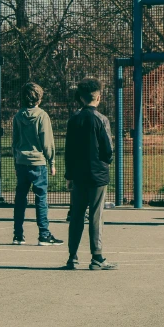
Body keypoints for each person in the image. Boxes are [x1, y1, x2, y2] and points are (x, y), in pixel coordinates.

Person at [64, 77, 117, 270]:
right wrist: (106, 162)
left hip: (78, 174)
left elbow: (68, 151)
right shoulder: (101, 119)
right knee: (96, 214)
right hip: (98, 174)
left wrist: (69, 175)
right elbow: (108, 149)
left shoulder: (73, 120)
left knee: (76, 214)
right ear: (98, 97)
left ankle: (72, 256)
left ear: (80, 98)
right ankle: (97, 257)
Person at [12, 82, 63, 246]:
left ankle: (18, 235)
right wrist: (52, 161)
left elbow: (15, 142)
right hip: (38, 162)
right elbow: (47, 141)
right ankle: (44, 234)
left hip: (21, 161)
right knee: (41, 198)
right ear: (39, 98)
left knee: (20, 198)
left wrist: (16, 161)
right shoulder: (42, 116)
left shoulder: (18, 116)